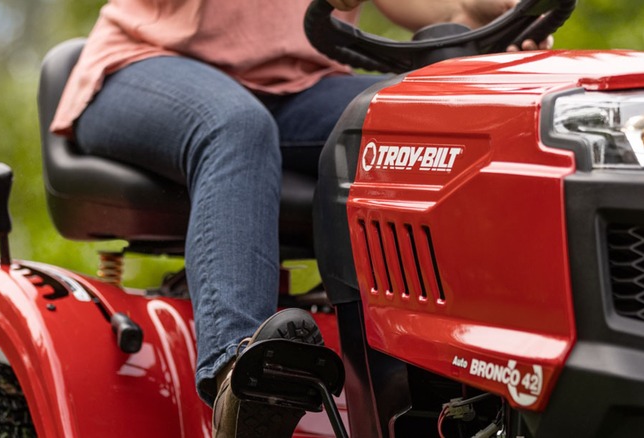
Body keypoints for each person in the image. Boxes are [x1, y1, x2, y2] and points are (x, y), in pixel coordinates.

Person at [51, 0, 552, 436]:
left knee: (426, 114)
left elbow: (431, 7)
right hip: (148, 67)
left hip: (298, 86)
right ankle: (240, 378)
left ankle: (471, 378)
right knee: (236, 126)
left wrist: (489, 12)